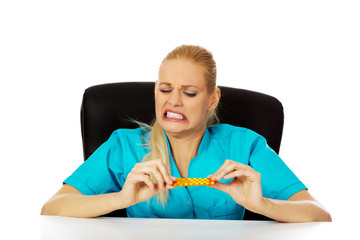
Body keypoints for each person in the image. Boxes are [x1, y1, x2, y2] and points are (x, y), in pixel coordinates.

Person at [41, 45, 331, 222]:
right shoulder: (123, 145)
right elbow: (53, 208)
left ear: (213, 99)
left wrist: (261, 204)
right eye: (165, 90)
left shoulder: (246, 145)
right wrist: (122, 199)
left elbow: (319, 214)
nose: (174, 101)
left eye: (189, 93)